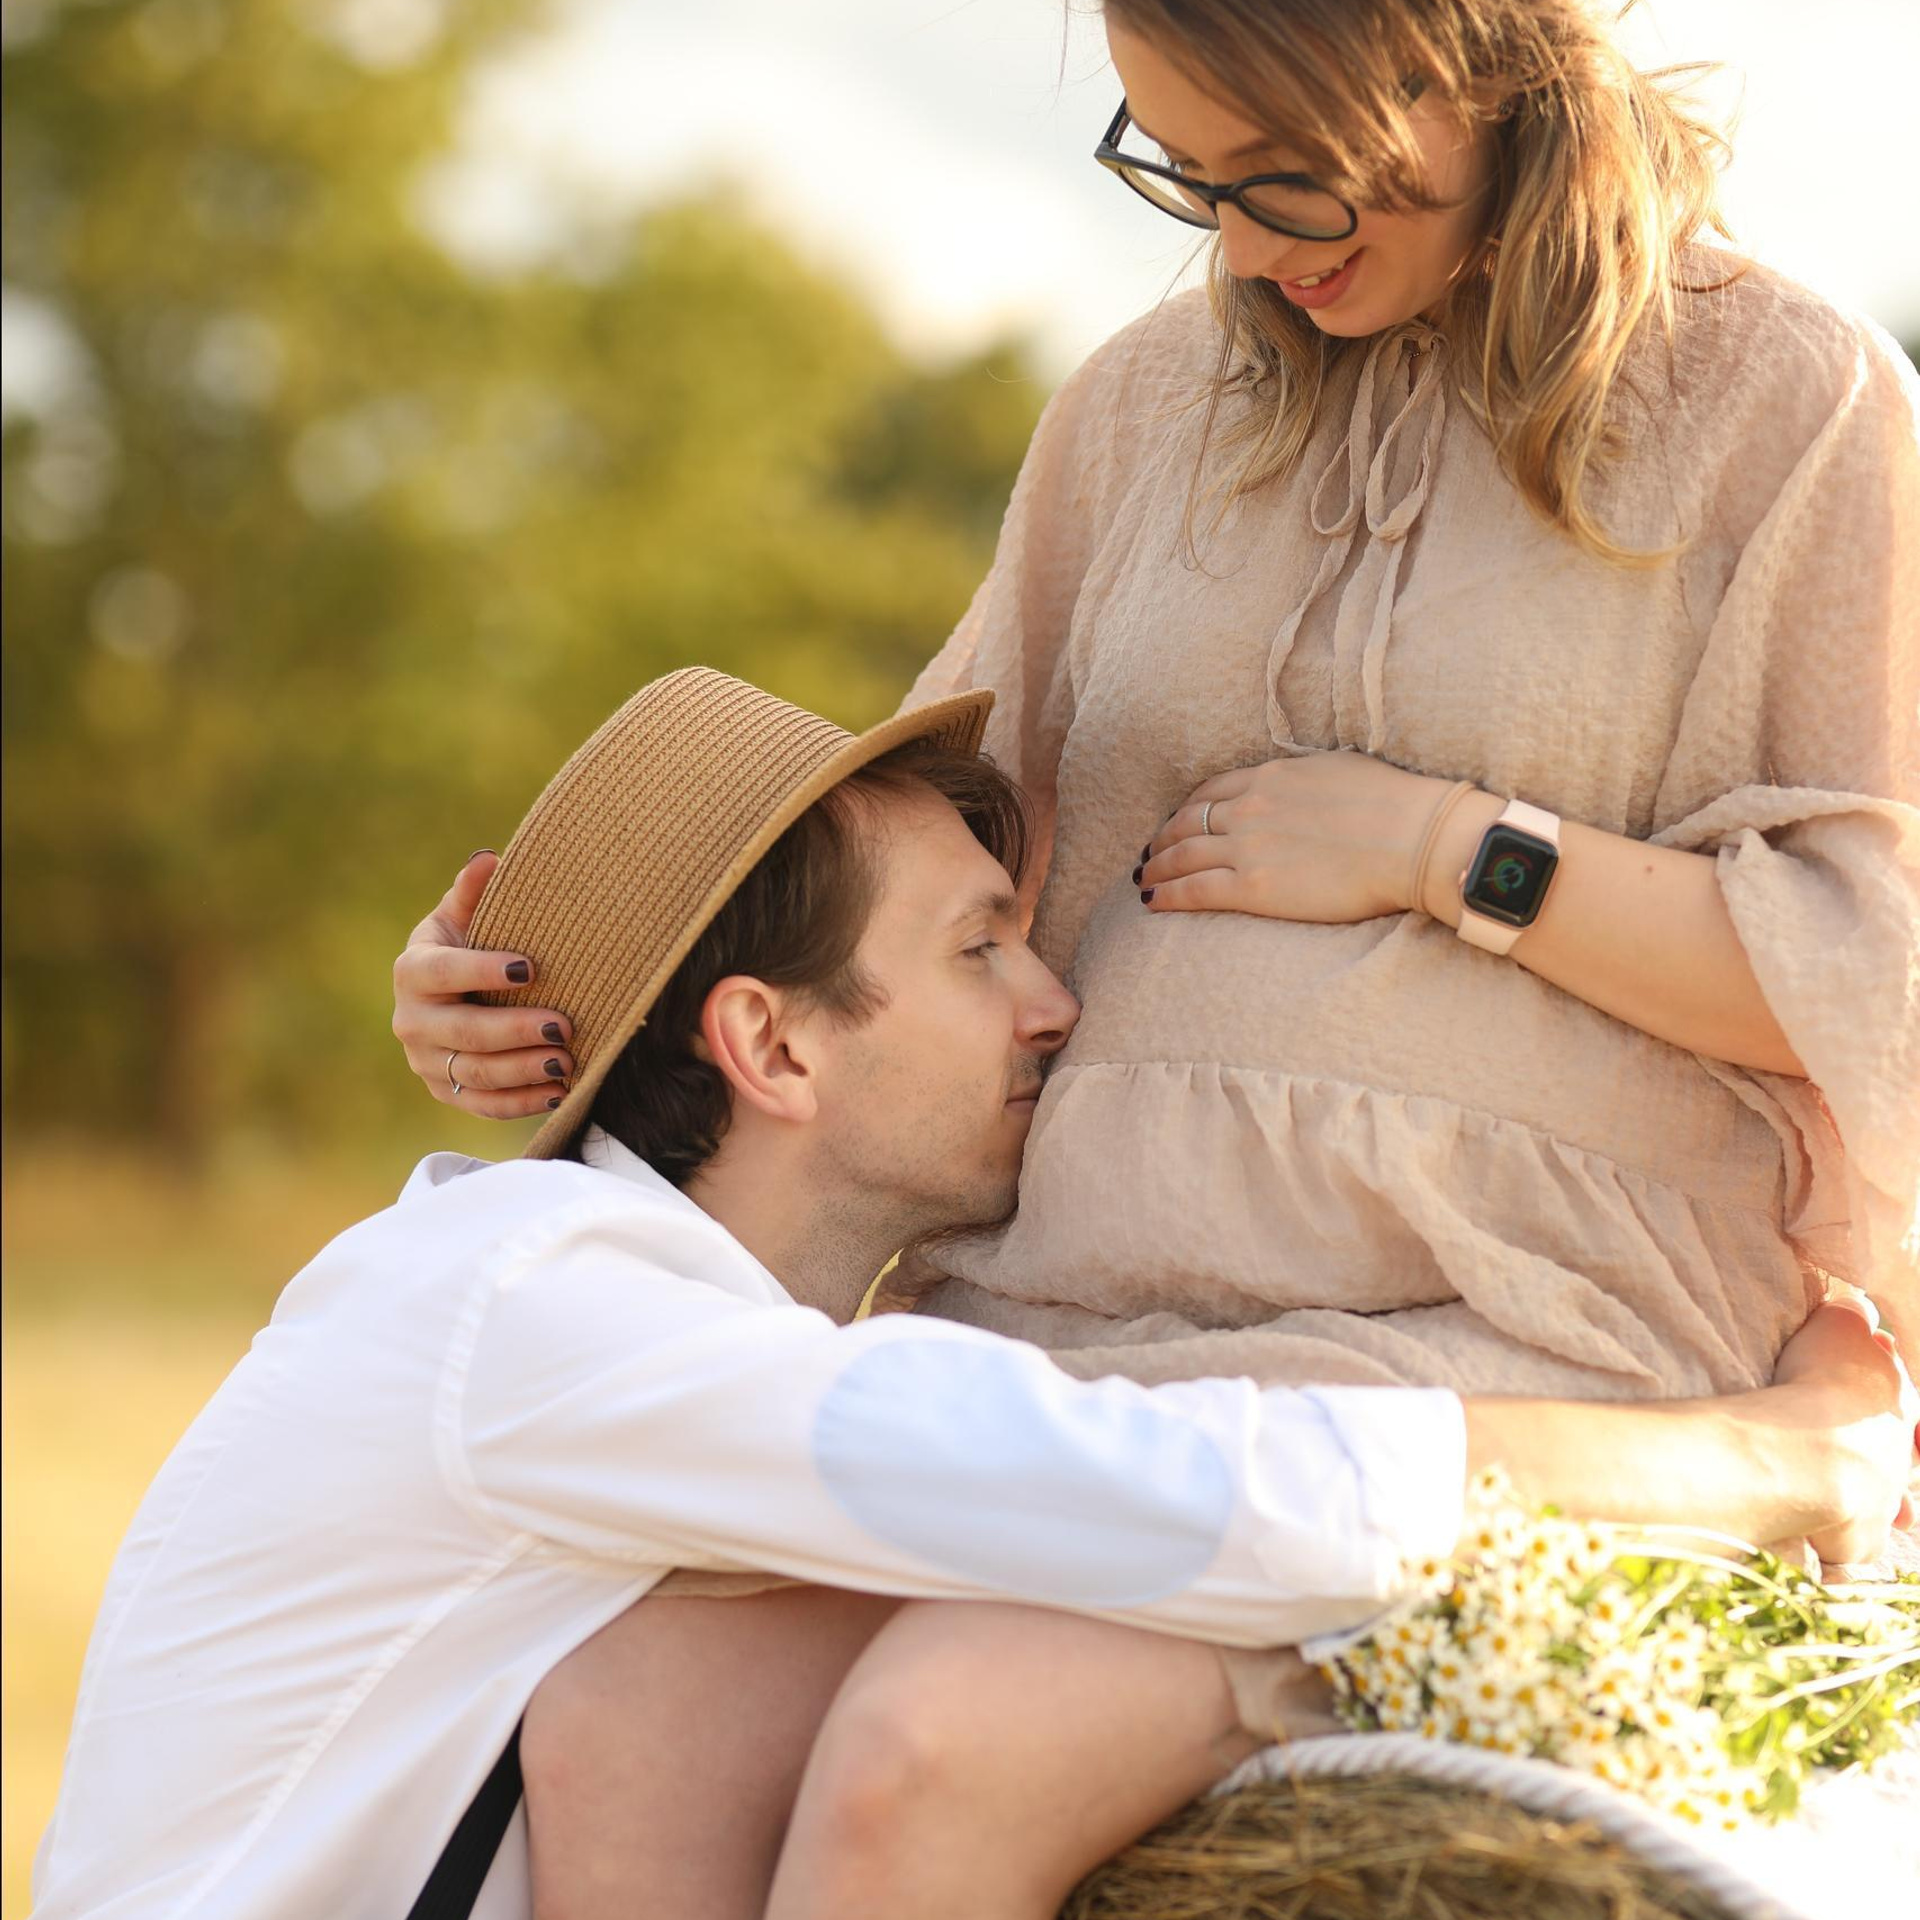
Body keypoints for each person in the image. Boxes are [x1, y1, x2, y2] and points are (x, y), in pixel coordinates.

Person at [35, 670, 1916, 1920]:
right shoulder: (553, 1312)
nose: (1056, 1001)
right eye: (978, 948)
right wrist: (1769, 1470)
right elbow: (1211, 1500)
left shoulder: (530, 1303)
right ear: (768, 1044)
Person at [398, 4, 1919, 1413]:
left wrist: (1451, 850)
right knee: (641, 1694)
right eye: (1189, 175)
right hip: (1042, 1309)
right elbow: (888, 889)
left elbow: (1869, 986)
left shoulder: (1791, 402)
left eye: (1289, 177)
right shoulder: (1138, 408)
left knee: (930, 1713)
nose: (1249, 254)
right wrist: (562, 976)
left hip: (1520, 1322)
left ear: (1477, 66)